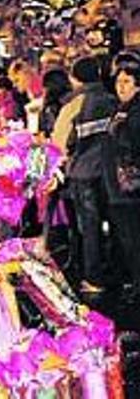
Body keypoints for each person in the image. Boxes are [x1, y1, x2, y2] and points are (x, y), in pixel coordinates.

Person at [51, 55, 118, 295]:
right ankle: (122, 274)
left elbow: (57, 144)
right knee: (117, 225)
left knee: (90, 228)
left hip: (83, 174)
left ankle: (95, 279)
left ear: (75, 78)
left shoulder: (73, 105)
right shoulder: (112, 99)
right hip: (111, 173)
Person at [103, 53, 140, 300]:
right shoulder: (122, 109)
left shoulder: (135, 112)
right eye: (119, 82)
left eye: (127, 81)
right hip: (119, 188)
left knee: (134, 240)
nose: (121, 86)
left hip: (131, 190)